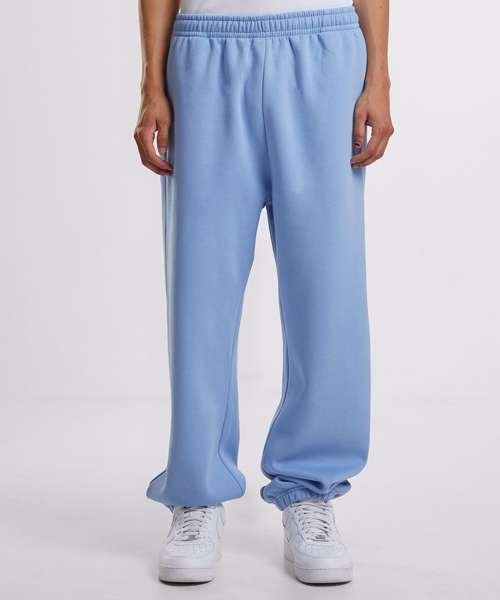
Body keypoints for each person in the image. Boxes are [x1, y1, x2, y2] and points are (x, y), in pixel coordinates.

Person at [134, 0, 393, 585]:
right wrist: (152, 84)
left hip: (324, 44)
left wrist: (378, 77)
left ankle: (311, 487)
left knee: (327, 289)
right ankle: (197, 493)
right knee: (200, 292)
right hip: (204, 48)